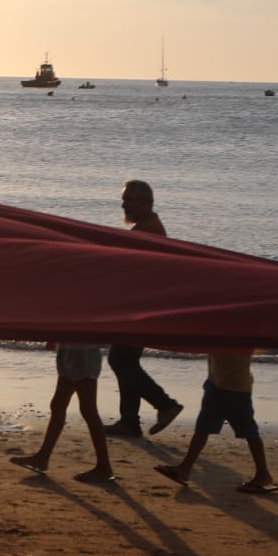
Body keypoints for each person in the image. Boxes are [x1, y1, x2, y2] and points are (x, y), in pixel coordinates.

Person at [104, 180, 184, 437]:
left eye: (129, 199)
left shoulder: (149, 232)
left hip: (140, 309)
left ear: (146, 202)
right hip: (137, 306)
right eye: (124, 199)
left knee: (120, 359)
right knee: (126, 360)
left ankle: (165, 404)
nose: (124, 204)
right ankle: (129, 422)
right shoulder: (145, 229)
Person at [153, 349, 278, 494]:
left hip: (236, 387)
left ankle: (263, 475)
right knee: (202, 428)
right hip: (214, 383)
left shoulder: (244, 330)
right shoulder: (224, 328)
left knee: (248, 430)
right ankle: (184, 468)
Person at [13, 340, 116, 483]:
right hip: (71, 348)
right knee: (58, 405)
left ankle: (104, 467)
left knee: (88, 409)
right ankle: (42, 457)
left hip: (82, 351)